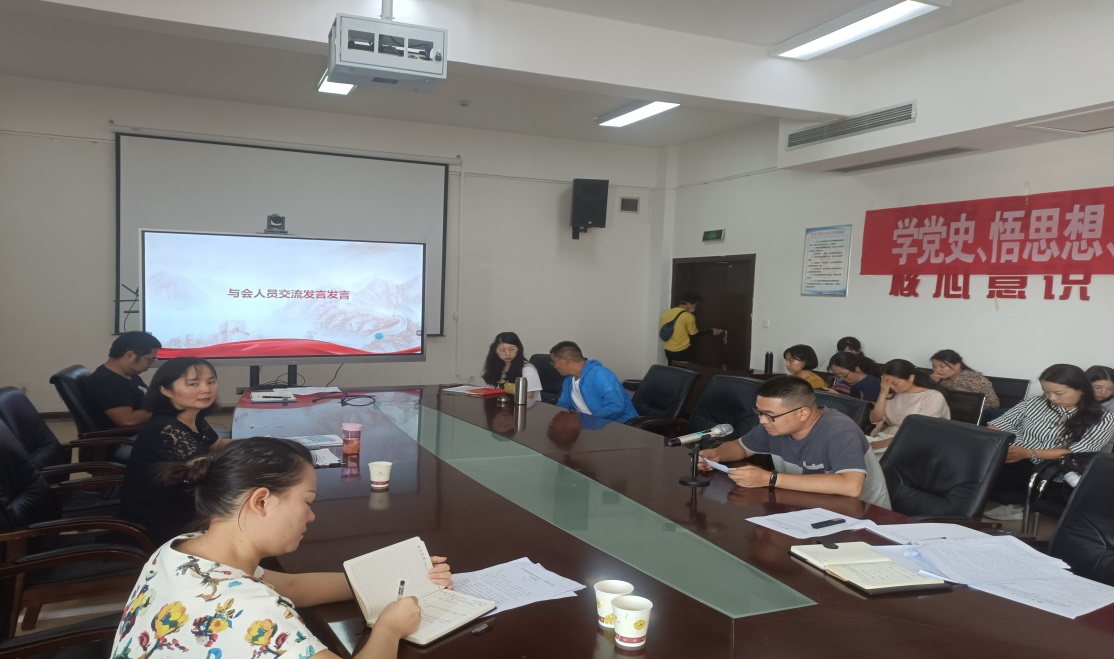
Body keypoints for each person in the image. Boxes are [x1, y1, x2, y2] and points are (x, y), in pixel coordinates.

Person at [111, 437, 451, 659]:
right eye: (307, 501)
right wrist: (390, 628)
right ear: (261, 500)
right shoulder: (248, 611)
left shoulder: (181, 549)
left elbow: (291, 586)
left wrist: (392, 578)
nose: (311, 516)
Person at [697, 376, 890, 508]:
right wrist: (717, 454)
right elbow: (741, 447)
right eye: (759, 412)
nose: (762, 420)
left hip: (861, 517)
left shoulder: (839, 431)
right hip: (804, 505)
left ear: (803, 413)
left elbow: (851, 486)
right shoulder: (774, 425)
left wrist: (770, 479)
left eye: (769, 414)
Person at [119, 357, 232, 544]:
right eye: (193, 383)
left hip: (190, 501)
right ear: (165, 390)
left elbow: (218, 444)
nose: (206, 389)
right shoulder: (167, 429)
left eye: (211, 381)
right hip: (168, 517)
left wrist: (265, 442)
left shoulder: (189, 415)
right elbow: (208, 473)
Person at [984, 364, 1114, 520]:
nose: (1052, 398)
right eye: (1046, 392)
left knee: (978, 474)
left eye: (1059, 393)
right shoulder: (1033, 403)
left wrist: (1028, 453)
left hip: (1045, 469)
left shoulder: (1102, 419)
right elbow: (997, 425)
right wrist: (1002, 447)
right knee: (972, 463)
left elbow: (1076, 452)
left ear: (1082, 390)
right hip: (1010, 456)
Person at [82, 331, 161, 428]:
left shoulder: (129, 374)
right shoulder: (108, 383)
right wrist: (162, 408)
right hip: (135, 434)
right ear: (129, 355)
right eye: (150, 360)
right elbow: (127, 420)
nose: (150, 364)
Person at [868, 359, 949, 453]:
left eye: (894, 383)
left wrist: (881, 444)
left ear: (911, 378)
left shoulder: (933, 397)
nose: (890, 387)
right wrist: (882, 394)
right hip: (884, 437)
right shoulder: (891, 395)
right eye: (886, 382)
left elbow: (920, 431)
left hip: (911, 442)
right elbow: (875, 420)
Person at [550, 341, 638, 423]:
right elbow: (563, 405)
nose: (554, 366)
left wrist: (587, 421)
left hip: (620, 425)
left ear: (565, 361)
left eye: (554, 362)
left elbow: (616, 406)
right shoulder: (568, 381)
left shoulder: (600, 374)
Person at [659, 292, 723, 365]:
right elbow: (694, 334)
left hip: (668, 350)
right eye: (695, 305)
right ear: (689, 304)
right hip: (681, 351)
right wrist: (710, 332)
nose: (695, 307)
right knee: (684, 371)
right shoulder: (689, 316)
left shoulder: (667, 313)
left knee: (672, 370)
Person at [929, 349, 1000, 409]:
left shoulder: (974, 379)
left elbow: (994, 404)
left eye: (942, 366)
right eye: (934, 366)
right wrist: (930, 383)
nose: (937, 370)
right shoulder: (939, 379)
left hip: (975, 414)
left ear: (957, 365)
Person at [481, 331, 542, 399]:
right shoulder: (495, 366)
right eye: (502, 350)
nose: (508, 354)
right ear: (495, 351)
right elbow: (491, 393)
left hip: (524, 405)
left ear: (518, 349)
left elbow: (528, 398)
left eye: (512, 349)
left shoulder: (528, 370)